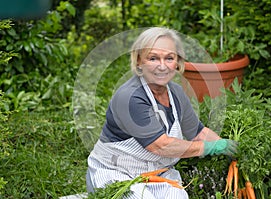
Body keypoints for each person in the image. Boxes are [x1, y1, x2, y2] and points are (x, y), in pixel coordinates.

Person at [86, 27, 237, 198]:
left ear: (177, 62)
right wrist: (209, 148)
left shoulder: (177, 94)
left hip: (158, 173)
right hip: (115, 174)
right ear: (138, 62)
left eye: (169, 58)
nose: (162, 66)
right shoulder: (130, 97)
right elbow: (161, 146)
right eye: (153, 58)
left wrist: (225, 145)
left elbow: (198, 132)